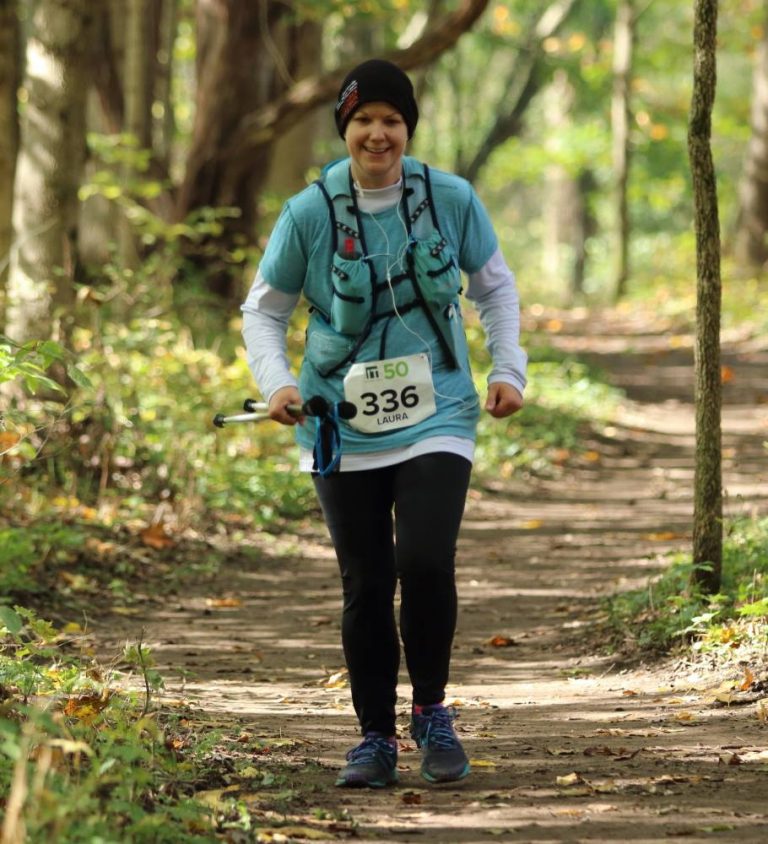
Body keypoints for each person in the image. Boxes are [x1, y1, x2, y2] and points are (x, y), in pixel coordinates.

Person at [241, 59, 526, 788]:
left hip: (442, 410)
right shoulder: (309, 213)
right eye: (364, 120)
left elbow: (495, 289)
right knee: (365, 582)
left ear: (408, 129)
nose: (378, 134)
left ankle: (431, 712)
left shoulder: (450, 198)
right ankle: (374, 738)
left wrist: (507, 369)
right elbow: (264, 310)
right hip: (337, 418)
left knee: (425, 561)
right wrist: (275, 386)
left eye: (392, 121)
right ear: (345, 128)